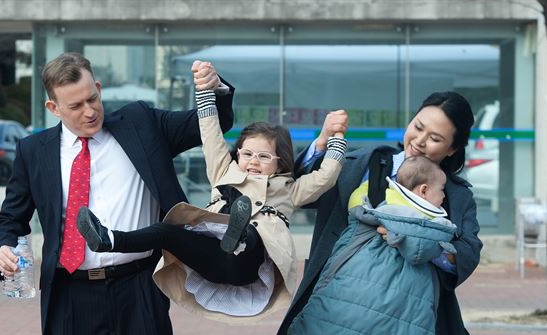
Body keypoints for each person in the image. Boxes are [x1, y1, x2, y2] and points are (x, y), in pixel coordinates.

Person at [0, 52, 234, 335]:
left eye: (93, 98)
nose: (89, 111)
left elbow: (212, 123)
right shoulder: (33, 152)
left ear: (99, 88)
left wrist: (214, 89)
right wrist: (3, 247)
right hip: (70, 300)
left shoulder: (141, 123)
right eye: (76, 105)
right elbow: (10, 218)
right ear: (53, 107)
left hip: (138, 289)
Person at [266, 91, 484, 335]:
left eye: (436, 138)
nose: (421, 141)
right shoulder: (360, 164)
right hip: (342, 319)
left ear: (453, 149)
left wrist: (422, 245)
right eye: (418, 127)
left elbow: (466, 255)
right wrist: (322, 141)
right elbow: (297, 190)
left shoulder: (454, 194)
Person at [76, 62, 349, 320]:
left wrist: (337, 139)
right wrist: (205, 92)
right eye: (248, 154)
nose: (254, 161)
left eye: (264, 157)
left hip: (247, 265)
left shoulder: (288, 190)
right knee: (166, 231)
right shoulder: (223, 171)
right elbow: (210, 133)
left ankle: (238, 235)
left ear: (280, 162)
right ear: (237, 154)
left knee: (252, 236)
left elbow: (324, 178)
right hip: (210, 255)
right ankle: (109, 239)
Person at [287, 154, 459, 335]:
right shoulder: (435, 232)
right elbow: (443, 253)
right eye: (441, 191)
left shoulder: (367, 212)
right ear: (423, 190)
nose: (444, 197)